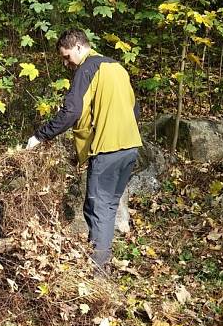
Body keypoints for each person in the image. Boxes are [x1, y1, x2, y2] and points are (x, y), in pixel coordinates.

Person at [26, 29, 142, 272]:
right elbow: (134, 109)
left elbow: (72, 111)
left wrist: (40, 136)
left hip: (107, 149)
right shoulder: (118, 68)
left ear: (80, 47)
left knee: (98, 209)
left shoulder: (88, 69)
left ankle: (97, 273)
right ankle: (102, 263)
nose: (66, 63)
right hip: (130, 147)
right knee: (108, 207)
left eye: (67, 56)